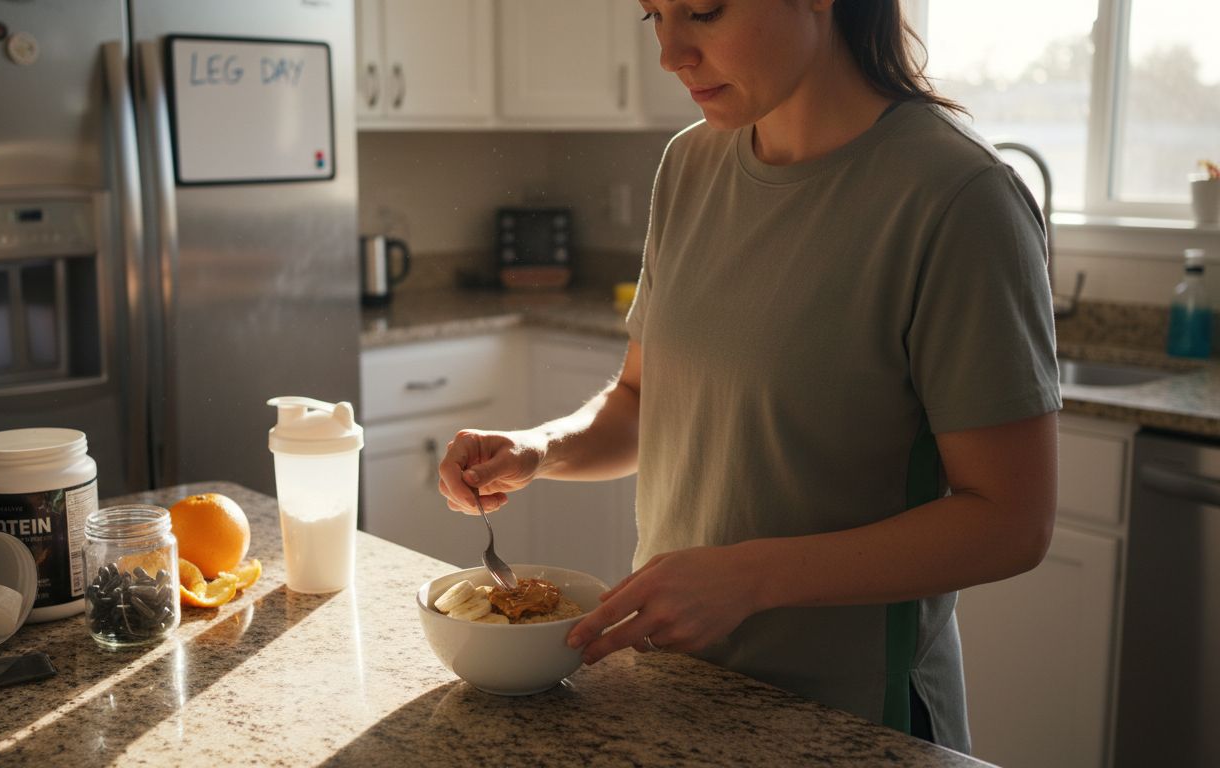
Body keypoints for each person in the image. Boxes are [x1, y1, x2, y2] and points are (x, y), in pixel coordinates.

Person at [436, 0, 1060, 753]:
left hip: (851, 720)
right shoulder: (691, 164)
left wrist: (751, 577)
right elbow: (643, 399)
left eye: (703, 11)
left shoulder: (959, 197)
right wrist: (542, 447)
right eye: (653, 15)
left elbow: (1010, 521)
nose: (671, 53)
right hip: (672, 686)